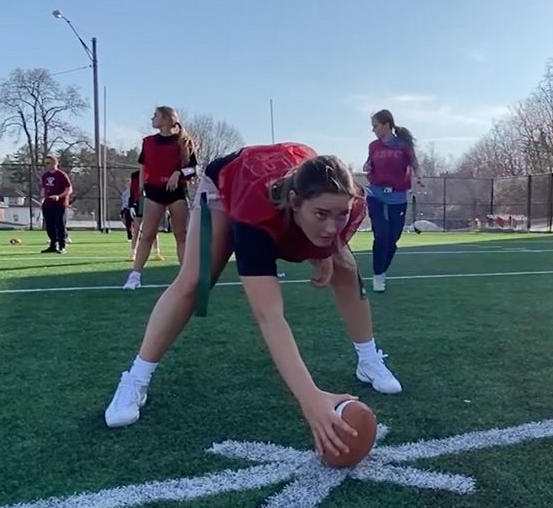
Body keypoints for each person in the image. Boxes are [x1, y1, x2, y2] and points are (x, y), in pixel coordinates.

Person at [103, 143, 403, 459]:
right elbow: (268, 315)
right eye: (321, 215)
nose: (332, 225)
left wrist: (327, 250)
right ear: (294, 202)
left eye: (340, 215)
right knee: (196, 281)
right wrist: (309, 397)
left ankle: (369, 360)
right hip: (227, 185)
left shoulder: (347, 202)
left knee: (345, 267)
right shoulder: (255, 214)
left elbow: (333, 220)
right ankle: (135, 379)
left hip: (285, 181)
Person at [123, 106, 197, 290]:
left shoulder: (184, 142)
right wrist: (142, 188)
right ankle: (135, 276)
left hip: (176, 193)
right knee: (147, 234)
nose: (152, 118)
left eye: (155, 115)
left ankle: (186, 277)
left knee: (181, 235)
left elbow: (193, 168)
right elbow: (143, 166)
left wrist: (178, 173)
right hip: (154, 193)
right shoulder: (148, 142)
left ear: (166, 119)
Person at [363, 109, 422, 293]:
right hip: (376, 194)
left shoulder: (403, 145)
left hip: (397, 196)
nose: (373, 130)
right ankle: (378, 275)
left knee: (392, 240)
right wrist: (366, 166)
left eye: (375, 126)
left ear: (386, 124)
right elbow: (369, 163)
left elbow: (414, 164)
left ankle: (382, 269)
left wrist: (419, 177)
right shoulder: (373, 146)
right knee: (380, 235)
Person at [120, 171, 162, 262]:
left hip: (152, 202)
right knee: (137, 228)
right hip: (139, 203)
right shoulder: (135, 175)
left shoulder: (155, 173)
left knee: (153, 228)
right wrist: (131, 205)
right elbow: (133, 191)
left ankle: (156, 252)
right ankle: (133, 252)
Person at [39, 155, 72, 254]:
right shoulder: (45, 176)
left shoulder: (61, 175)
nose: (47, 165)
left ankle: (62, 246)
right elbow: (44, 188)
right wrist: (42, 198)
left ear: (55, 163)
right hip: (48, 203)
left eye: (48, 163)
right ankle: (53, 245)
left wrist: (59, 196)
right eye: (45, 163)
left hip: (59, 204)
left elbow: (69, 189)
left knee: (60, 224)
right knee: (49, 225)